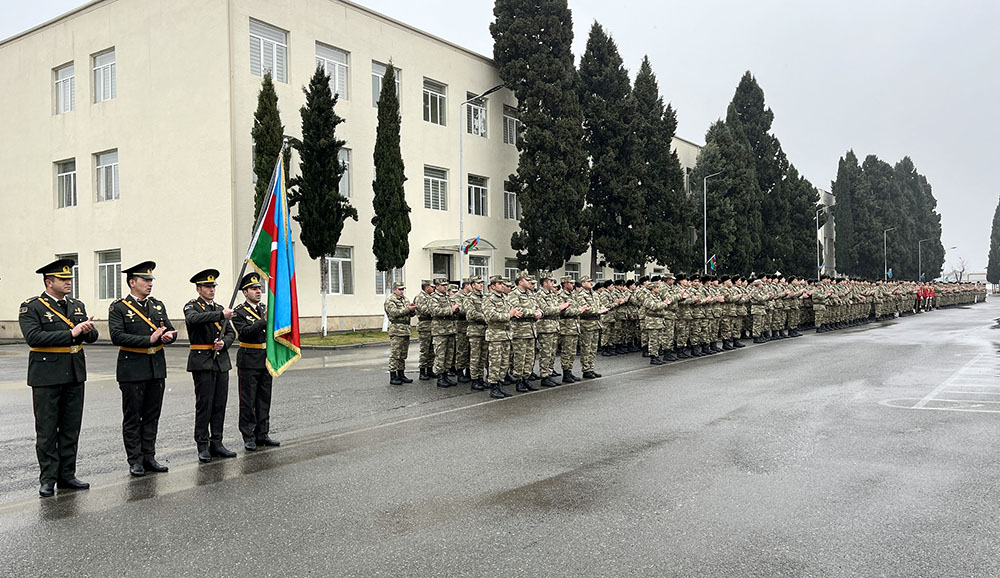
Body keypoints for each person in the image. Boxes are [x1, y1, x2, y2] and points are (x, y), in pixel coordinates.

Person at [19, 258, 98, 497]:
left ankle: (67, 475)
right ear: (48, 282)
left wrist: (88, 331)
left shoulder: (76, 304)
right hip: (47, 375)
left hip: (74, 373)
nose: (68, 283)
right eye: (63, 280)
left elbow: (89, 338)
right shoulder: (31, 307)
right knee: (47, 430)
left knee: (70, 428)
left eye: (70, 279)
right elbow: (34, 338)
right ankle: (47, 478)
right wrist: (71, 333)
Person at [108, 261, 177, 477]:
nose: (149, 284)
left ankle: (149, 456)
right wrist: (149, 338)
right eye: (145, 280)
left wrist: (167, 337)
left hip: (155, 367)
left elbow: (170, 330)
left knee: (151, 415)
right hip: (133, 368)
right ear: (132, 282)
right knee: (133, 416)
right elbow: (117, 336)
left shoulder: (157, 305)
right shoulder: (118, 307)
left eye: (150, 280)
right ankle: (135, 459)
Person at [183, 268, 237, 463]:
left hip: (220, 361)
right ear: (199, 289)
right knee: (204, 404)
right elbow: (194, 320)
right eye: (207, 286)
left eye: (213, 286)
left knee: (219, 404)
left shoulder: (220, 308)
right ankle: (202, 444)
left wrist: (225, 344)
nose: (211, 289)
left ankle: (217, 442)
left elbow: (231, 333)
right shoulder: (192, 307)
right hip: (202, 360)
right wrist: (220, 315)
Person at [231, 272, 280, 451]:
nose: (258, 291)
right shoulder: (239, 312)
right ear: (245, 292)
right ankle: (248, 435)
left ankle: (262, 433)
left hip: (265, 359)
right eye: (253, 289)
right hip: (248, 360)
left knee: (263, 399)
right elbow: (245, 332)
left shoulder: (264, 308)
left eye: (259, 288)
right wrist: (263, 321)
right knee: (248, 400)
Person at [483, 275, 513, 399]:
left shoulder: (504, 298)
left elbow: (510, 310)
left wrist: (514, 312)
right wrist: (508, 315)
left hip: (506, 334)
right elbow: (490, 316)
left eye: (503, 283)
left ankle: (500, 384)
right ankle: (493, 386)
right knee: (495, 362)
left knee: (504, 362)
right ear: (493, 286)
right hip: (495, 335)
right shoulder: (488, 298)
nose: (502, 285)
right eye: (499, 284)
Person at [382, 280, 416, 386]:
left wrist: (412, 310)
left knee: (403, 354)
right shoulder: (390, 301)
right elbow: (394, 313)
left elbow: (410, 314)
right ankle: (393, 376)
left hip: (405, 329)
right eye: (400, 289)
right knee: (395, 354)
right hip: (397, 330)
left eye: (403, 289)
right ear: (394, 290)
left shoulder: (405, 299)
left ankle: (401, 374)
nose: (402, 291)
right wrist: (407, 309)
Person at [430, 277, 459, 387]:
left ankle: (446, 374)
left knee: (449, 354)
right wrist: (451, 310)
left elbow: (454, 308)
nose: (445, 287)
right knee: (440, 355)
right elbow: (435, 311)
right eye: (442, 285)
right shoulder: (433, 297)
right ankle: (440, 377)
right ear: (437, 286)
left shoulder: (448, 297)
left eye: (446, 285)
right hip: (440, 330)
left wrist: (456, 309)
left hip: (450, 329)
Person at [413, 280, 436, 380]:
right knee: (425, 350)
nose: (433, 288)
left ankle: (430, 369)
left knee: (432, 350)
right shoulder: (420, 297)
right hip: (425, 326)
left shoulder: (431, 296)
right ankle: (422, 371)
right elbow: (424, 310)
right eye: (432, 287)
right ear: (426, 287)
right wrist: (436, 310)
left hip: (432, 326)